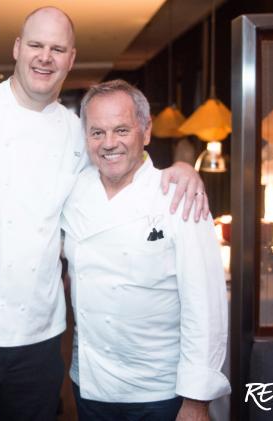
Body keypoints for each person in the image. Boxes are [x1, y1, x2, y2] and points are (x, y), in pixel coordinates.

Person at [0, 7, 210, 420]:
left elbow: (119, 171)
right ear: (18, 48)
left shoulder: (77, 131)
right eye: (36, 45)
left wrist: (177, 171)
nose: (45, 57)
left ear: (70, 60)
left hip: (38, 338)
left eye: (58, 49)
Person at [62, 79, 230, 420]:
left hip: (160, 390)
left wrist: (196, 400)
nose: (109, 143)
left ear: (146, 131)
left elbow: (205, 304)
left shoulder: (177, 194)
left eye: (121, 129)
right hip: (91, 384)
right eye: (97, 133)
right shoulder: (73, 191)